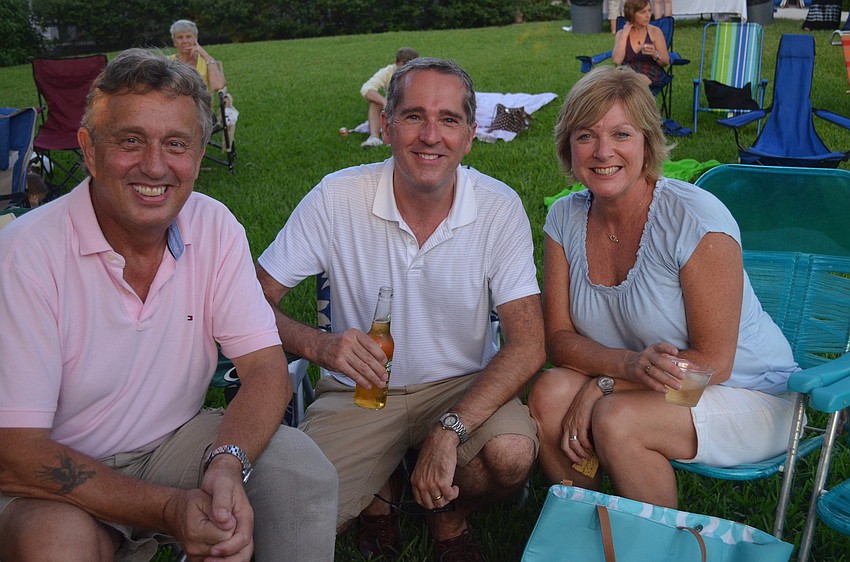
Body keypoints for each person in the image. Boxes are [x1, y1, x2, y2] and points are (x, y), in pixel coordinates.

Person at [0, 49, 337, 562]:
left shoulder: (213, 225)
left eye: (176, 144)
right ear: (89, 150)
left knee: (298, 469)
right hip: (52, 473)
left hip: (170, 443)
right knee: (56, 544)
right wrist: (168, 508)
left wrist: (226, 464)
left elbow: (266, 368)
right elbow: (17, 453)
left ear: (199, 157)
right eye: (130, 141)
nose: (155, 166)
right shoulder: (24, 254)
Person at [257, 57, 544, 561]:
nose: (430, 136)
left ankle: (448, 518)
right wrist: (319, 346)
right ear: (387, 127)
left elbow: (529, 343)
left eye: (448, 119)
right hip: (360, 389)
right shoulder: (337, 197)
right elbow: (250, 299)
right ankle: (382, 492)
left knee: (511, 455)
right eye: (414, 116)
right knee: (286, 520)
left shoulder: (498, 207)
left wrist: (451, 429)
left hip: (461, 384)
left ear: (470, 136)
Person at [528, 66, 799, 509]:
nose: (602, 151)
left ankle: (655, 541)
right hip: (649, 382)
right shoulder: (563, 218)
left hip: (748, 392)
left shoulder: (695, 220)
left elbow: (715, 364)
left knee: (616, 417)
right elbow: (558, 340)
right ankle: (584, 520)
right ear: (568, 147)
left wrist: (605, 385)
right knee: (549, 392)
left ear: (647, 142)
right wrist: (625, 367)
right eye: (586, 136)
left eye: (621, 134)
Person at [359, 47, 419, 148]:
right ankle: (374, 138)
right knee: (375, 103)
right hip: (391, 106)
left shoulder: (421, 74)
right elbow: (366, 89)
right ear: (396, 63)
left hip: (413, 108)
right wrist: (384, 102)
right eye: (403, 67)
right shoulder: (387, 72)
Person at [612, 0, 669, 91]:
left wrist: (655, 53)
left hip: (649, 72)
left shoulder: (655, 32)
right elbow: (617, 60)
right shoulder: (621, 34)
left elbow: (665, 61)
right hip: (627, 72)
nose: (647, 15)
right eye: (642, 12)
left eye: (649, 11)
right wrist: (625, 35)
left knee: (633, 83)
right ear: (632, 14)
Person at [170, 19, 226, 92]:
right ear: (174, 42)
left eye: (188, 36)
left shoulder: (206, 62)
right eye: (180, 37)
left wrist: (205, 55)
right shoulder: (168, 62)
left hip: (201, 99)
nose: (185, 41)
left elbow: (218, 86)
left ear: (195, 39)